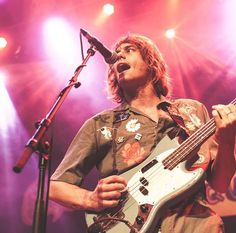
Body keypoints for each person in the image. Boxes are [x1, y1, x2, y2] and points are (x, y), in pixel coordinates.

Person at [49, 34, 236, 233]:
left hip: (195, 226)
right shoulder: (101, 124)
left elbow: (220, 184)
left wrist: (226, 142)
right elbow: (55, 186)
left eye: (129, 50)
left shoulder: (191, 111)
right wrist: (90, 198)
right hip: (129, 226)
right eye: (117, 53)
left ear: (151, 63)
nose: (119, 56)